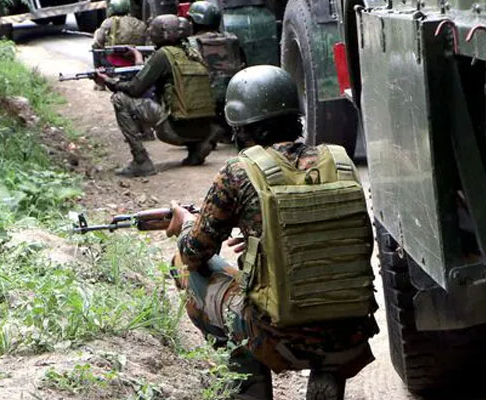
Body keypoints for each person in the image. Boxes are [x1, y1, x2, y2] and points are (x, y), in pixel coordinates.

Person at [165, 66, 378, 400]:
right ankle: (329, 372)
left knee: (185, 267)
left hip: (278, 337)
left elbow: (195, 252)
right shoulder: (339, 162)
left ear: (244, 128)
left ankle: (249, 383)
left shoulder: (237, 172)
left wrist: (185, 224)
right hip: (347, 332)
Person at [94, 14, 218, 177]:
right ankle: (197, 146)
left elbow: (135, 89)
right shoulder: (192, 52)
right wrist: (139, 59)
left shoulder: (163, 55)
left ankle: (141, 160)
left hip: (174, 131)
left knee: (120, 99)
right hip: (203, 128)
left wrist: (109, 81)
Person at [185, 1, 244, 142]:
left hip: (206, 96)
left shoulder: (190, 43)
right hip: (234, 91)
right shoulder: (232, 39)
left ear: (196, 21)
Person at [92, 0, 147, 89]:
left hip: (113, 62)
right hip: (135, 61)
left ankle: (99, 80)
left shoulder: (108, 22)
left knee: (95, 48)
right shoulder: (139, 23)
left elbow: (99, 42)